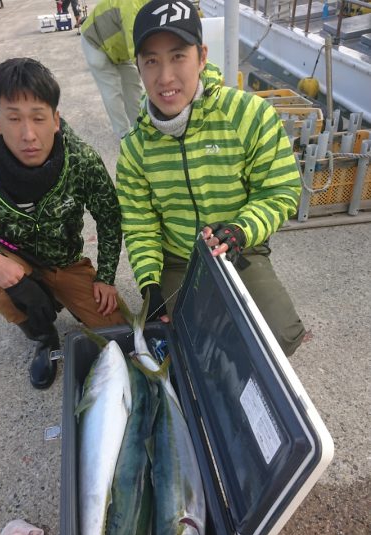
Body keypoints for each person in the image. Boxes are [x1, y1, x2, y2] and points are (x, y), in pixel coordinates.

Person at [116, 0, 306, 357]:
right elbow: (140, 227)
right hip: (176, 258)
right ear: (138, 68)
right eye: (151, 61)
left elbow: (280, 190)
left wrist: (240, 230)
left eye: (177, 56)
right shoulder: (134, 149)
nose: (165, 77)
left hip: (239, 247)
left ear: (201, 56)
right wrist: (150, 286)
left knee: (278, 337)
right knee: (179, 346)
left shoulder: (250, 114)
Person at [0, 58, 124, 390]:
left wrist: (106, 276)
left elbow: (110, 216)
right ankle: (44, 337)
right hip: (15, 260)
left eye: (38, 118)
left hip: (65, 262)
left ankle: (56, 295)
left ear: (55, 120)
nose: (28, 134)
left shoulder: (81, 159)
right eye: (13, 118)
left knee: (117, 331)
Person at [80, 0, 150, 139]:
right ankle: (124, 134)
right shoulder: (132, 5)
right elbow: (135, 46)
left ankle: (140, 128)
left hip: (117, 50)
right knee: (112, 90)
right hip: (95, 42)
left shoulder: (150, 5)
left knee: (133, 86)